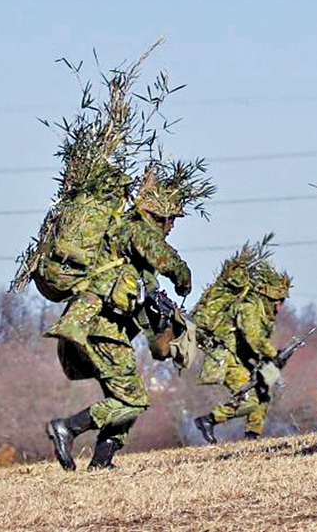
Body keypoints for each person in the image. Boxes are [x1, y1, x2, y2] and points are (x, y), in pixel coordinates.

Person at [45, 162, 205, 471]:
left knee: (122, 398)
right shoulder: (136, 229)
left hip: (97, 327)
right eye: (170, 220)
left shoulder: (128, 253)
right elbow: (165, 257)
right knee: (133, 400)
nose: (171, 227)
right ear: (158, 216)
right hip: (99, 328)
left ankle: (101, 463)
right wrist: (184, 276)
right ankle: (68, 427)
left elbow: (151, 330)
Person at [191, 247, 290, 444]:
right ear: (271, 298)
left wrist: (274, 362)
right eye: (280, 301)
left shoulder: (263, 313)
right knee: (251, 401)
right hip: (227, 359)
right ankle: (208, 420)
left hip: (241, 359)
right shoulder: (250, 308)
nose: (281, 306)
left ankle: (251, 437)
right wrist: (273, 353)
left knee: (264, 393)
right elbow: (253, 338)